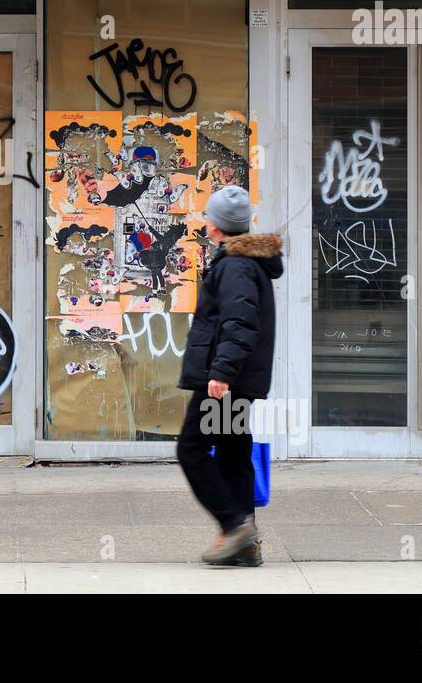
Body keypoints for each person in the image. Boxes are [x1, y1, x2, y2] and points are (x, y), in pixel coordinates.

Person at [177, 185, 283, 567]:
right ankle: (247, 545)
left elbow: (239, 324)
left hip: (226, 381)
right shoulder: (244, 262)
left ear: (217, 225)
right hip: (235, 379)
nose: (205, 222)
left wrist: (220, 373)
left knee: (191, 449)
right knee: (232, 453)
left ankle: (234, 525)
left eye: (208, 216)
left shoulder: (236, 266)